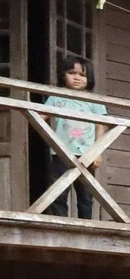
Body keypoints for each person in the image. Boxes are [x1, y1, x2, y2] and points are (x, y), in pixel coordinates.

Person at [44, 55, 106, 219]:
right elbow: (39, 116)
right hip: (61, 152)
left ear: (89, 78)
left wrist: (98, 152)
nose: (77, 78)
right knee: (58, 192)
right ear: (64, 75)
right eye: (72, 73)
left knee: (85, 195)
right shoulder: (56, 97)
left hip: (87, 155)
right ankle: (60, 222)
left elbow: (101, 126)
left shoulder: (94, 100)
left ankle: (85, 224)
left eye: (82, 75)